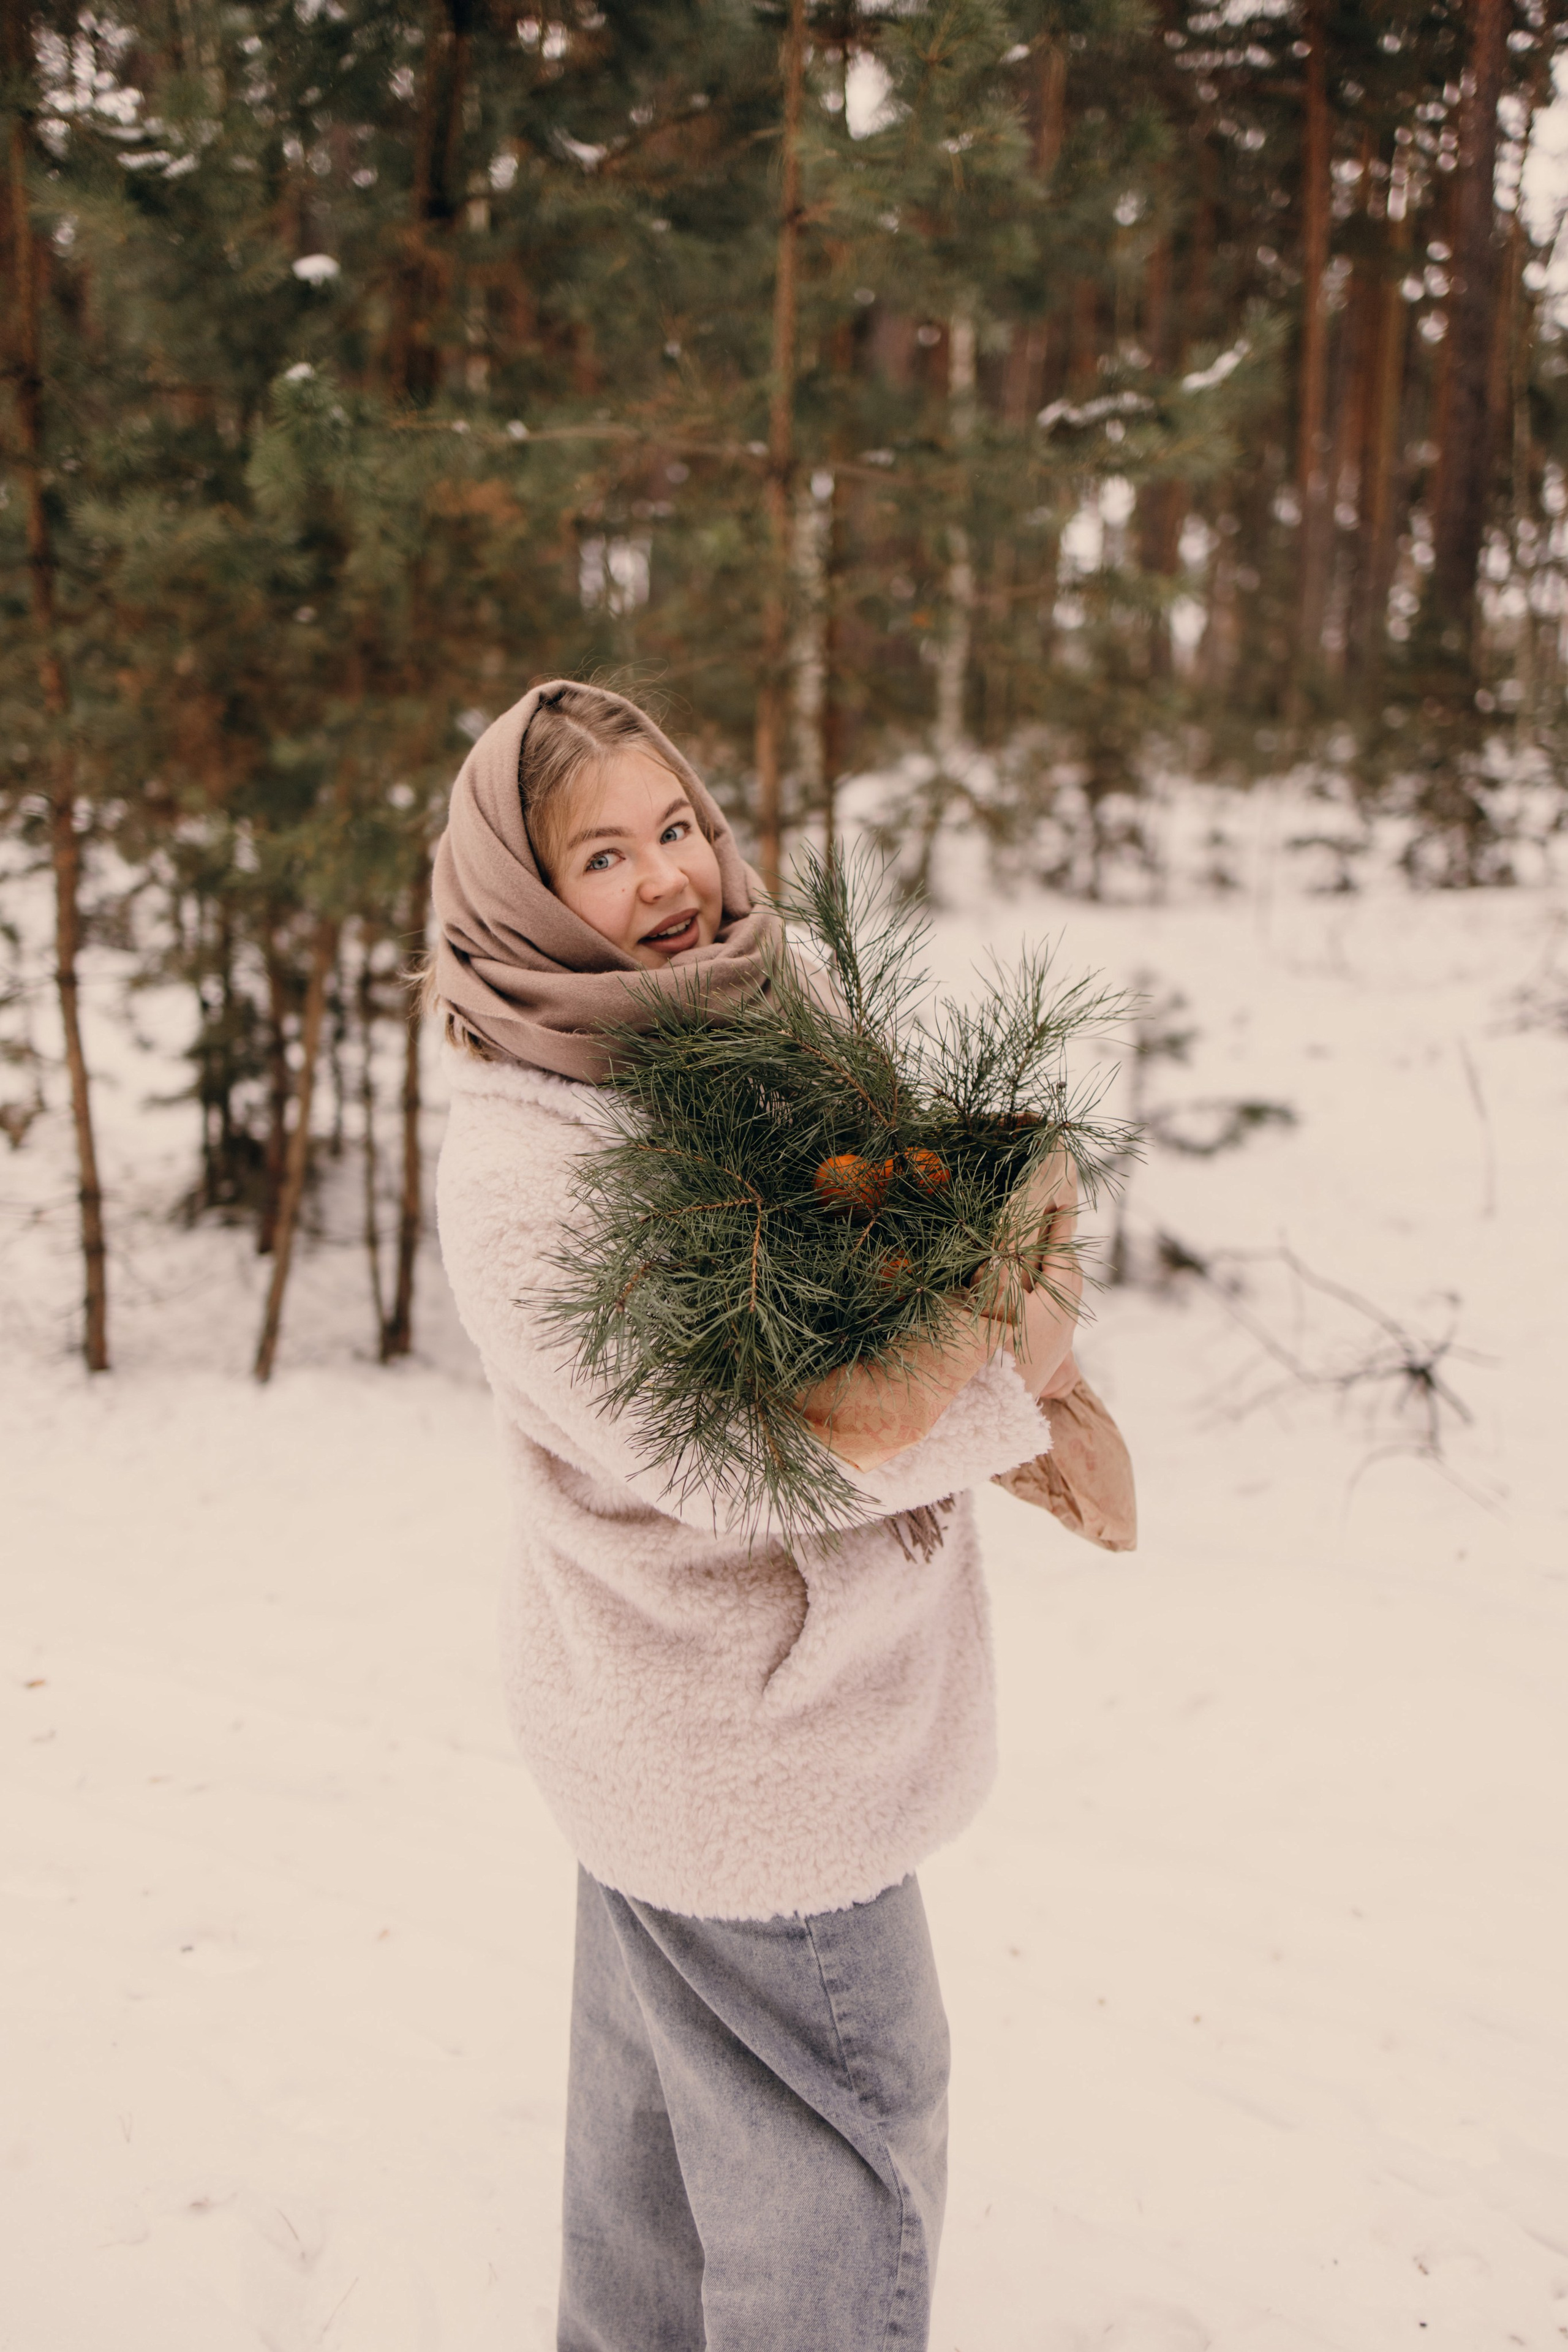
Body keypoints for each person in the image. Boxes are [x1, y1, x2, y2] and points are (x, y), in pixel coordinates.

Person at [428, 678, 1112, 2351]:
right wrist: (1013, 1404)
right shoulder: (528, 1157)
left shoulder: (756, 994)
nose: (668, 878)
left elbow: (884, 1218)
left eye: (677, 827)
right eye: (603, 855)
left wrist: (984, 1239)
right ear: (521, 895)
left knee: (657, 2156)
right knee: (848, 2138)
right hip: (746, 1745)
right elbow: (737, 1457)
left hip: (679, 1732)